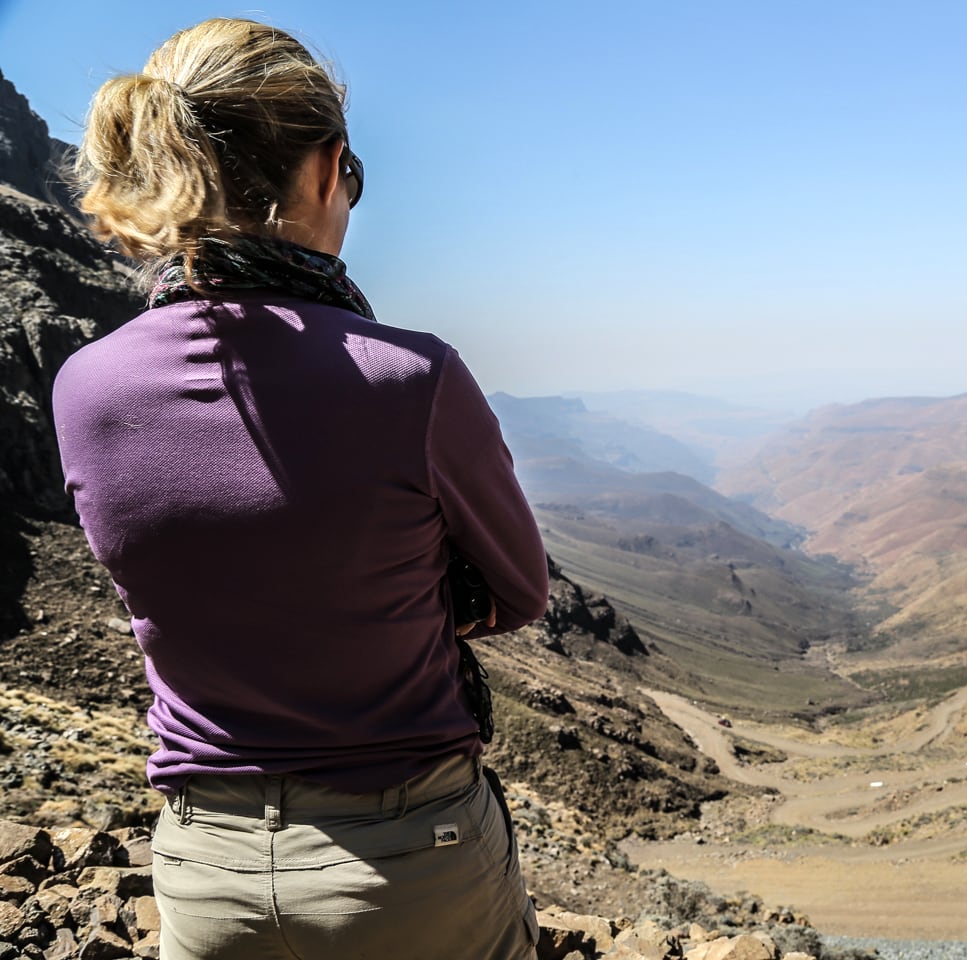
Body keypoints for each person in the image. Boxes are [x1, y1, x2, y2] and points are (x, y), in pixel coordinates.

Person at [52, 18, 549, 960]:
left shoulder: (85, 387)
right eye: (351, 180)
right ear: (327, 170)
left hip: (206, 873)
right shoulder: (410, 378)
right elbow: (518, 592)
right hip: (412, 858)